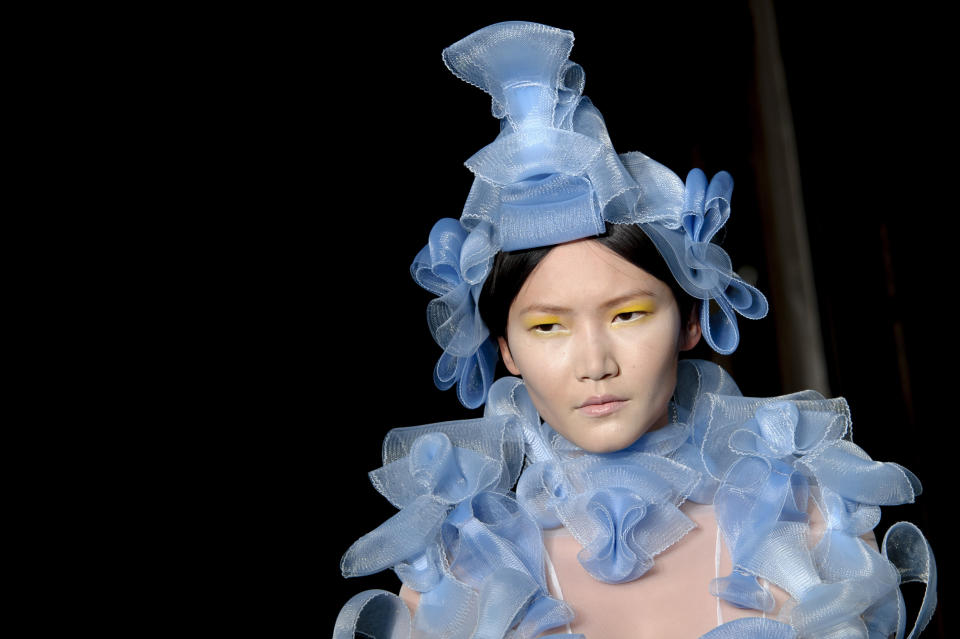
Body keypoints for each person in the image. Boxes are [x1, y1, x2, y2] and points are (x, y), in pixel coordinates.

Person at [332, 21, 936, 639]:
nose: (595, 363)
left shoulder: (806, 529)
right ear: (505, 350)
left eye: (628, 315)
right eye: (547, 327)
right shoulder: (462, 575)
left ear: (692, 321)